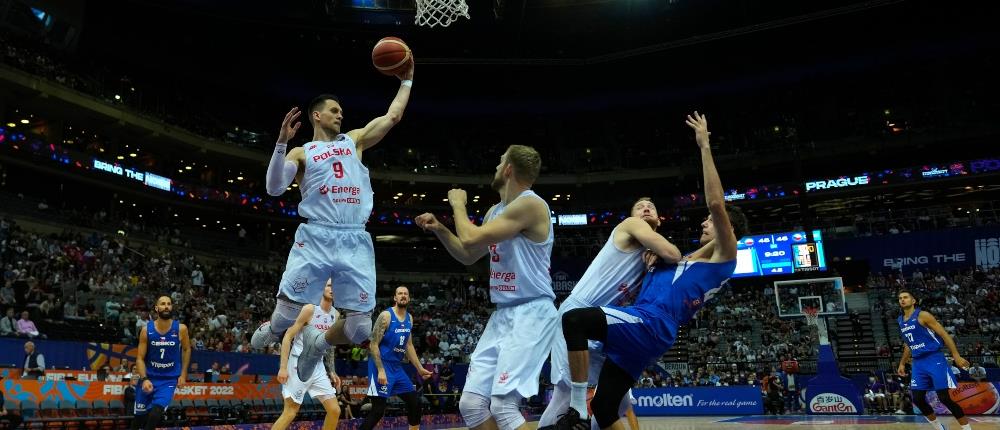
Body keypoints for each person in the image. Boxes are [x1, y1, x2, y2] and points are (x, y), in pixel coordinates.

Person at [556, 112, 745, 430]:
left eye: (710, 223)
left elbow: (715, 204)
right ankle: (584, 408)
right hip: (652, 333)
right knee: (605, 407)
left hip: (649, 323)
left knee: (574, 320)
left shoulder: (725, 256)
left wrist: (704, 145)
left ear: (729, 230)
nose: (704, 222)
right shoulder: (687, 259)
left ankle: (576, 408)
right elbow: (673, 264)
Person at [253, 59, 416, 360]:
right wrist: (280, 143)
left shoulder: (354, 140)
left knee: (359, 330)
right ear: (317, 115)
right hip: (316, 235)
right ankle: (274, 329)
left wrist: (406, 81)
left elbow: (392, 116)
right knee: (288, 316)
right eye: (334, 110)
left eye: (341, 111)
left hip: (354, 237)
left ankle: (320, 344)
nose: (340, 114)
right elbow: (274, 187)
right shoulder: (302, 152)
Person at [415, 144, 558, 430]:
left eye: (500, 161)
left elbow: (469, 238)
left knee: (504, 407)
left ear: (508, 169)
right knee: (471, 405)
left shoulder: (532, 204)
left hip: (531, 311)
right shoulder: (495, 211)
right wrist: (440, 229)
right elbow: (469, 254)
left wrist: (457, 204)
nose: (495, 165)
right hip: (503, 313)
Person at [538, 197, 682, 430]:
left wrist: (653, 266)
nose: (646, 208)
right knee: (565, 395)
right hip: (578, 314)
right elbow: (674, 254)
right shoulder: (631, 225)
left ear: (660, 219)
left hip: (604, 322)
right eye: (639, 206)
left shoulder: (651, 260)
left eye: (652, 206)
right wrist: (663, 255)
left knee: (618, 398)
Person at [896, 290, 972, 430]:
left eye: (906, 297)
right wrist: (902, 363)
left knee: (944, 398)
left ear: (913, 301)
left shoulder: (923, 315)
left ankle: (967, 428)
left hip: (934, 359)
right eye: (900, 298)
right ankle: (939, 428)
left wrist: (956, 355)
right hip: (918, 363)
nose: (902, 299)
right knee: (917, 399)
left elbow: (944, 334)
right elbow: (908, 344)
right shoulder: (900, 320)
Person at [360, 286, 433, 430]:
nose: (403, 296)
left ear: (409, 298)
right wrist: (380, 370)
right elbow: (373, 344)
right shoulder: (386, 316)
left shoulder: (409, 318)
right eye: (400, 293)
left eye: (406, 293)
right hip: (380, 365)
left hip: (396, 367)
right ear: (395, 298)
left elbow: (409, 345)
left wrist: (420, 368)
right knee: (378, 411)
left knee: (415, 402)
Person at [273, 281, 341, 430]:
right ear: (321, 287)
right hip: (298, 364)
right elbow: (287, 337)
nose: (333, 289)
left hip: (318, 366)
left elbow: (329, 345)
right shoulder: (309, 309)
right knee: (290, 412)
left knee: (335, 410)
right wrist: (283, 367)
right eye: (329, 285)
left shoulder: (335, 315)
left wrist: (332, 370)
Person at [133, 296, 191, 430]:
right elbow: (140, 358)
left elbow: (187, 349)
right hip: (149, 378)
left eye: (169, 304)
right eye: (163, 304)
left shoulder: (181, 329)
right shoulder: (146, 330)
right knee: (138, 419)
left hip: (168, 380)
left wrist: (183, 374)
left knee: (155, 415)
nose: (166, 306)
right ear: (156, 308)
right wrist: (144, 378)